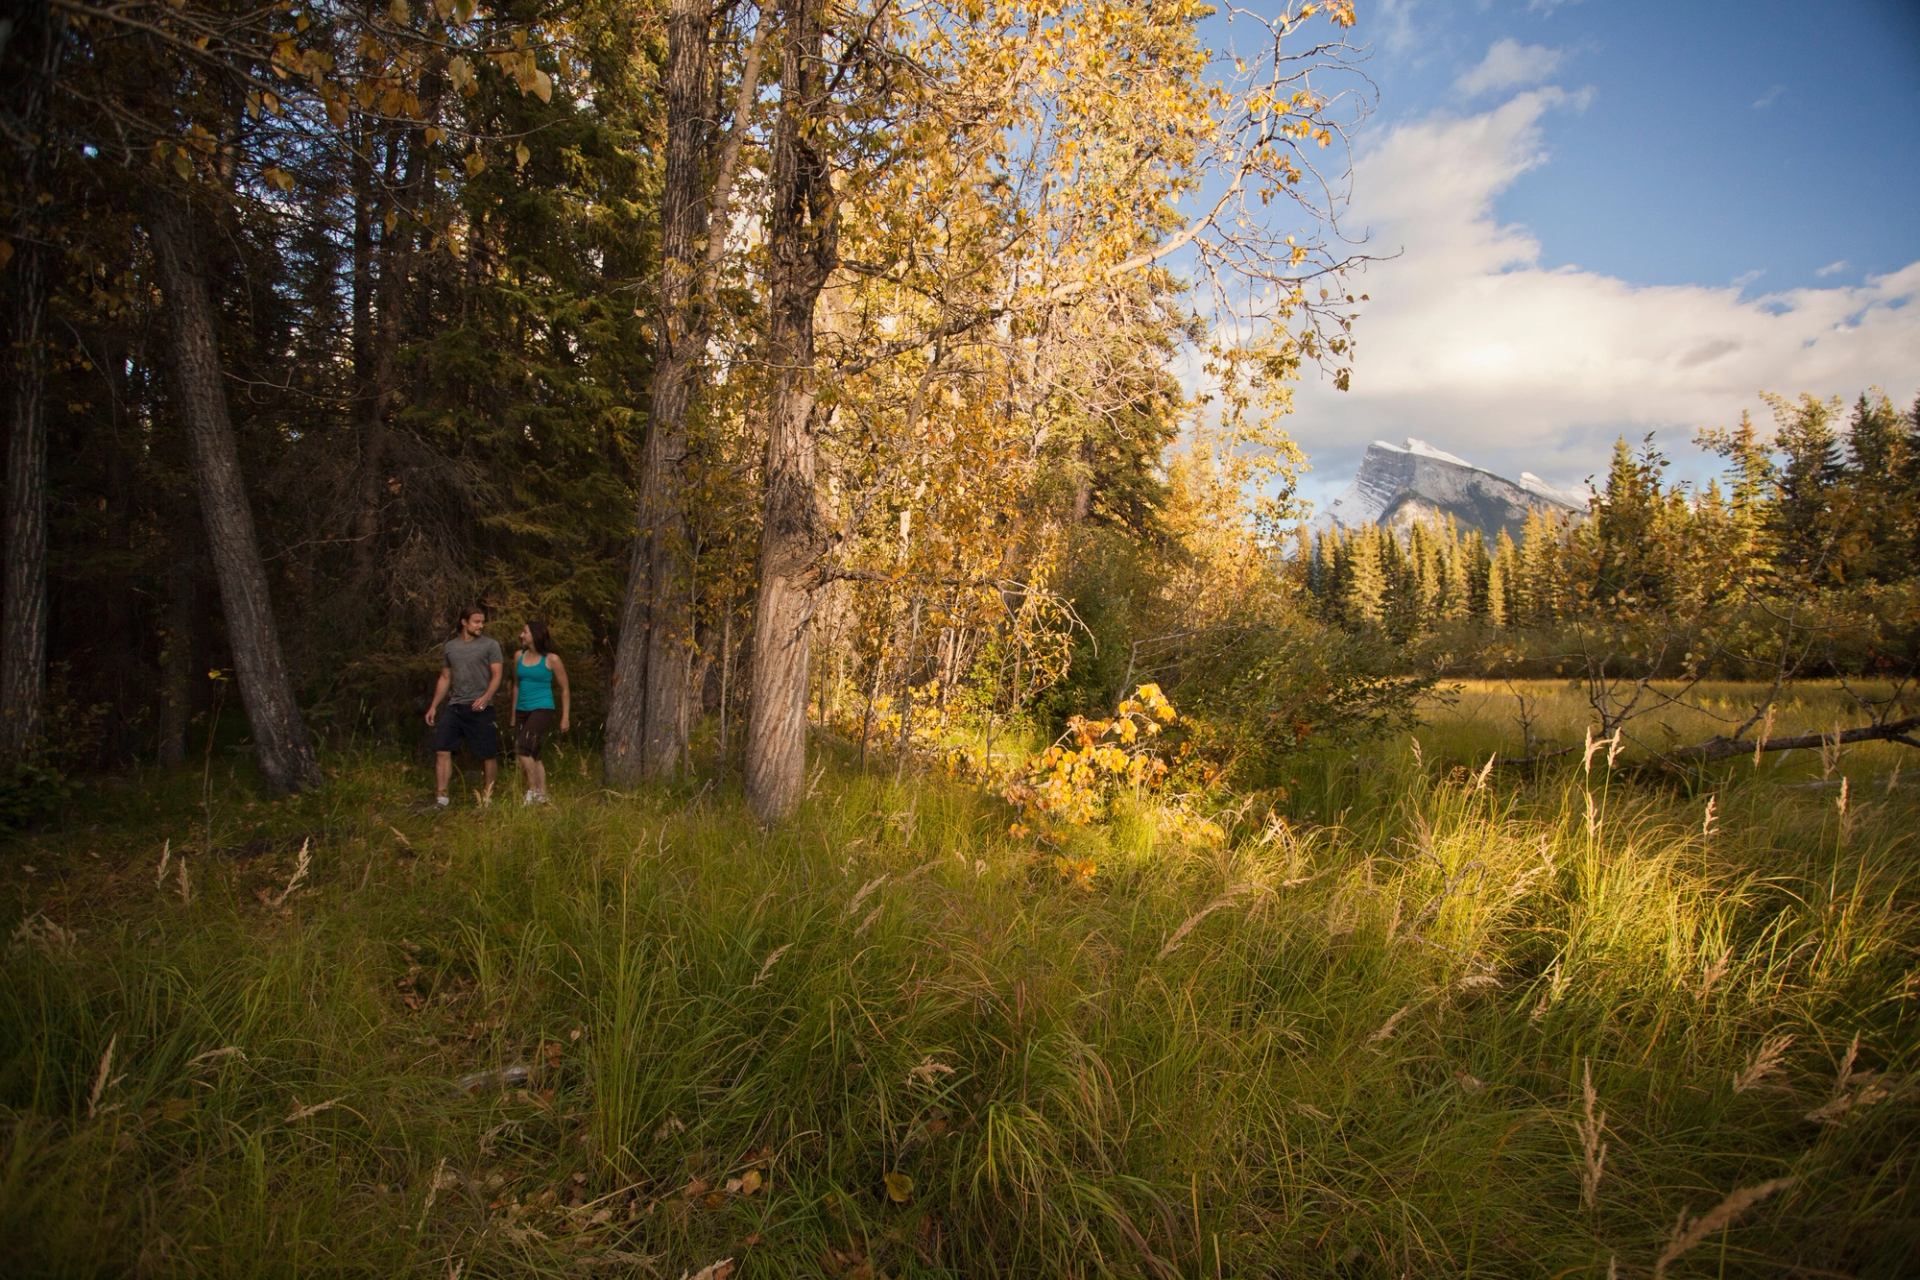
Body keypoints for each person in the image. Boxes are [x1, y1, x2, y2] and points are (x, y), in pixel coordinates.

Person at [425, 605, 503, 807]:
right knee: (442, 749)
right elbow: (445, 677)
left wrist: (486, 697)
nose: (481, 625)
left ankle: (487, 798)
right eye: (476, 621)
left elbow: (497, 675)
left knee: (487, 753)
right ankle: (441, 798)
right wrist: (434, 705)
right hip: (455, 705)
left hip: (480, 707)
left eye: (482, 621)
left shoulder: (490, 645)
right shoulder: (451, 647)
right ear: (464, 622)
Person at [508, 618, 571, 805]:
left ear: (535, 635)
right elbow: (516, 686)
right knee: (534, 754)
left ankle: (532, 790)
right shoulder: (518, 656)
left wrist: (565, 717)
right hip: (522, 708)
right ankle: (542, 794)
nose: (521, 635)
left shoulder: (552, 660)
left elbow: (565, 688)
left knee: (522, 748)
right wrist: (513, 714)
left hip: (542, 708)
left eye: (524, 632)